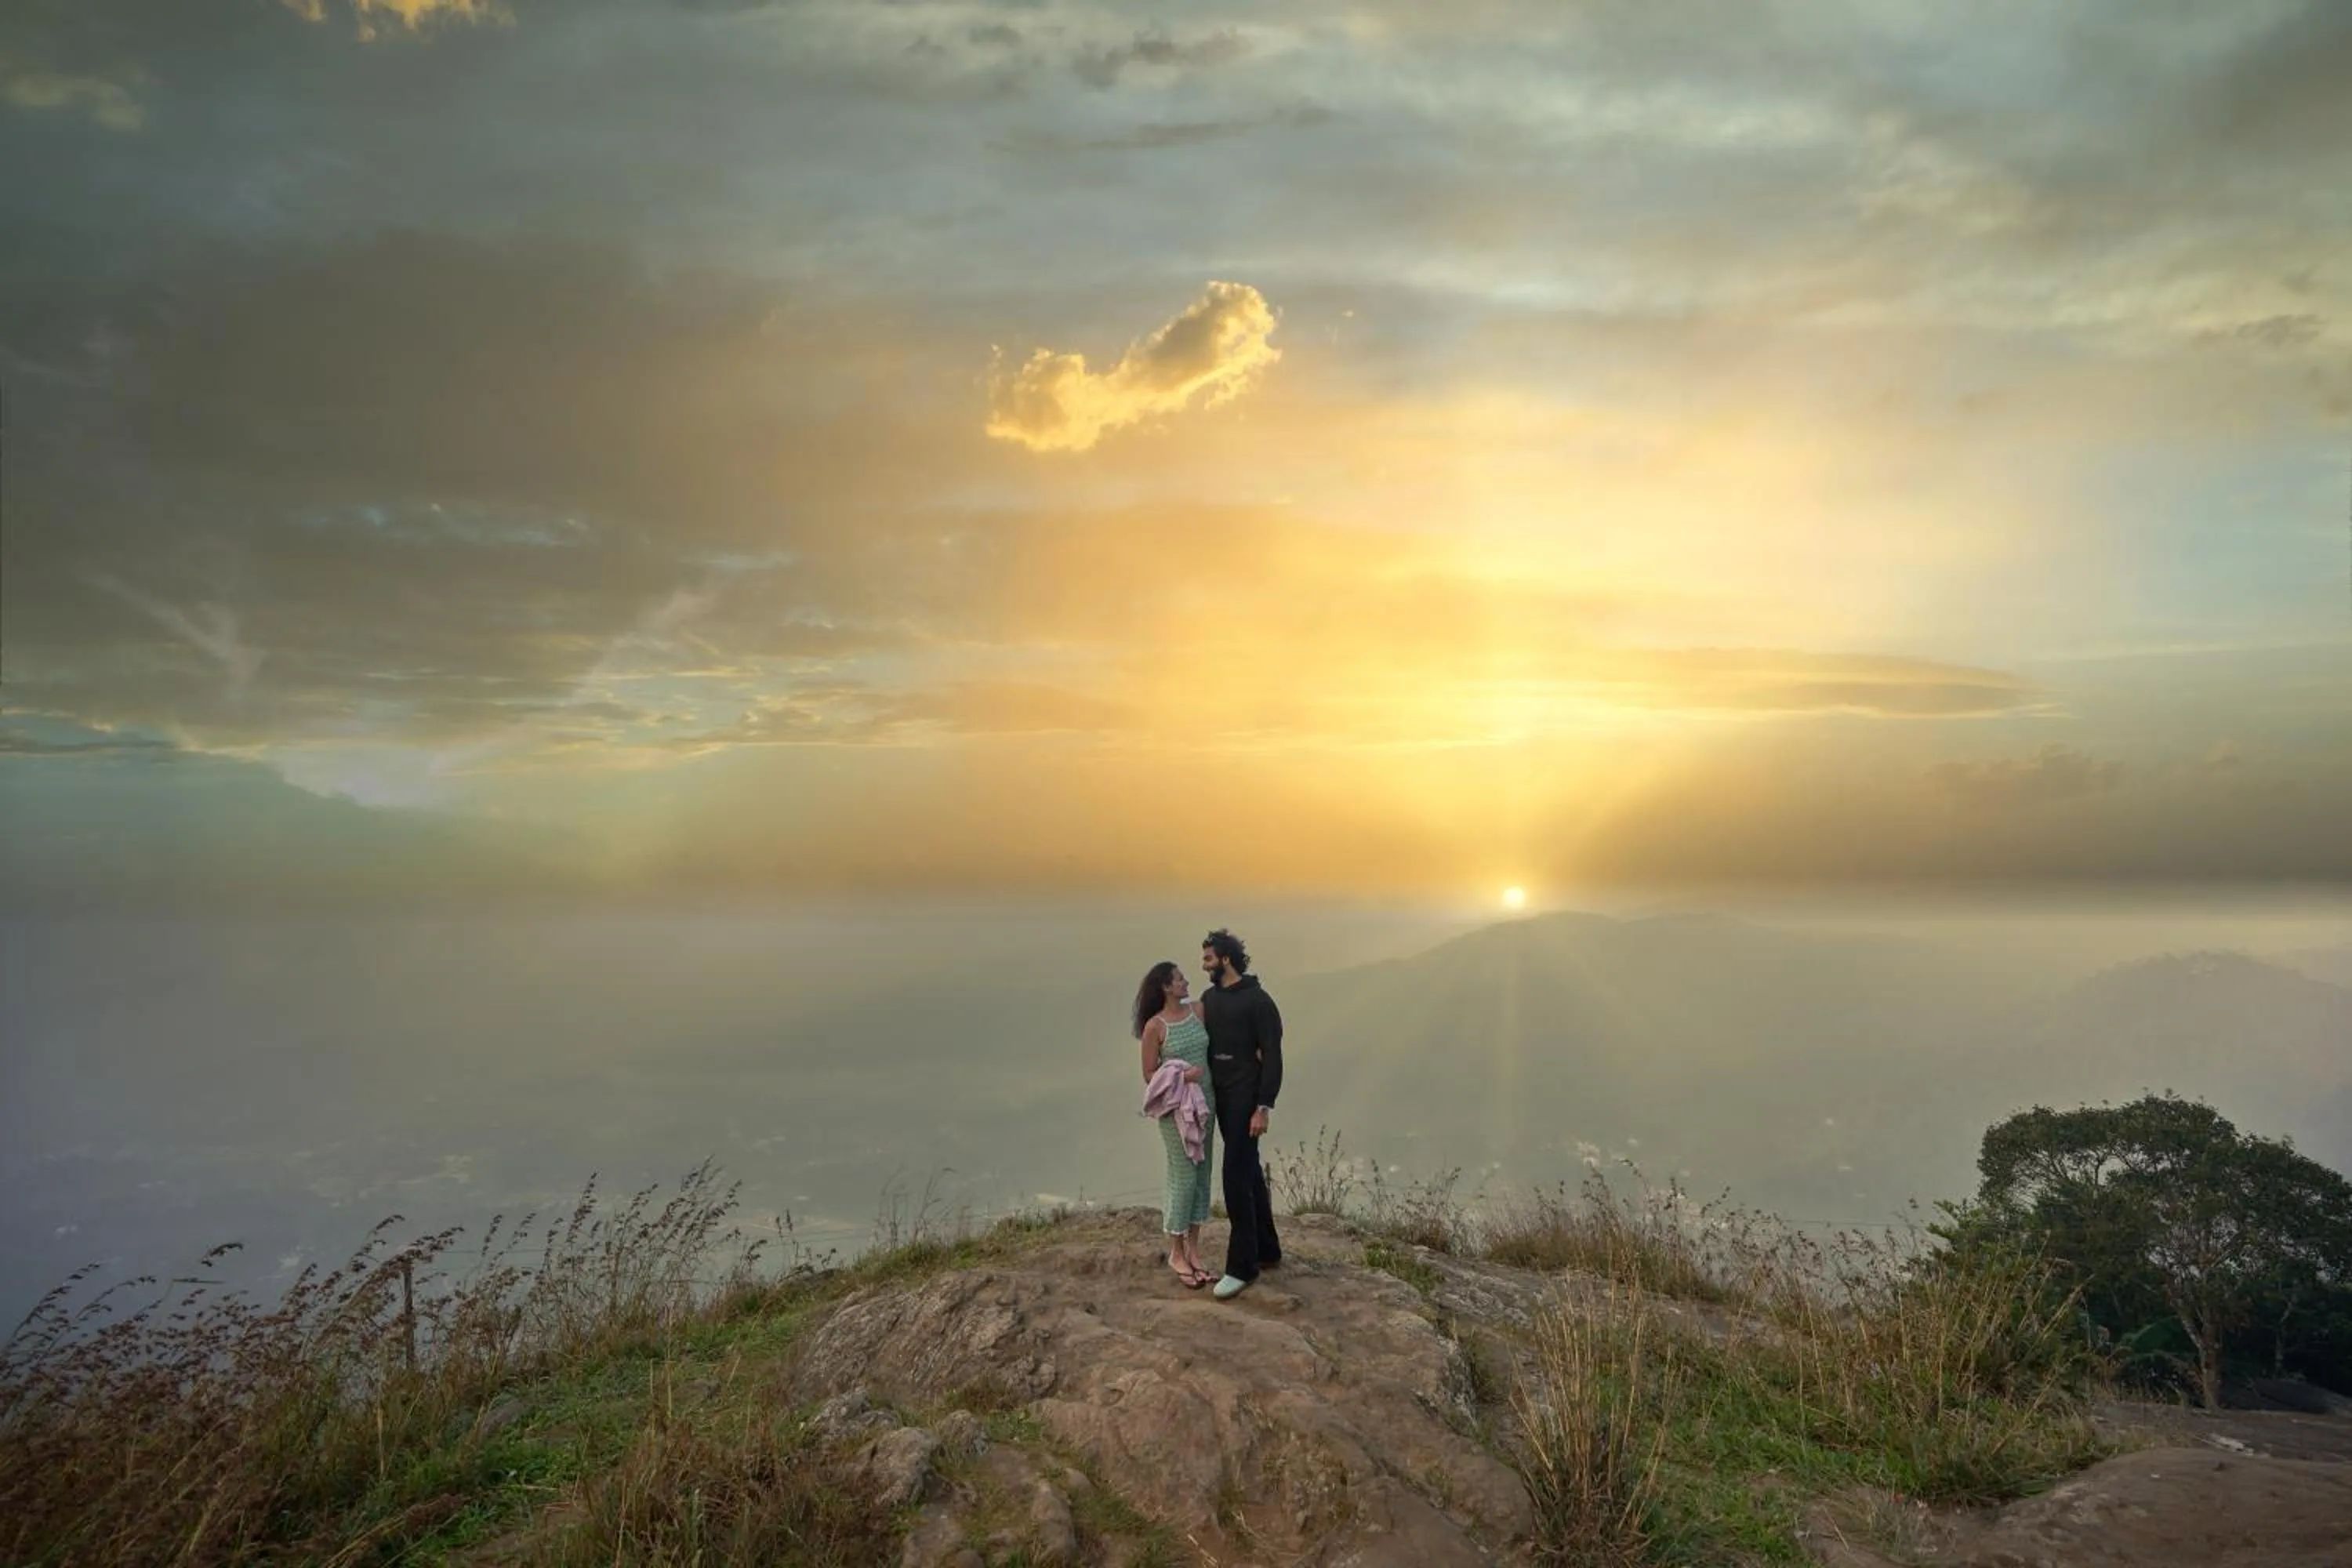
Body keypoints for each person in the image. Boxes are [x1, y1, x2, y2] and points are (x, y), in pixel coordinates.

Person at [1198, 928, 1283, 1298]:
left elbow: (1274, 1058)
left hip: (1246, 1098)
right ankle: (1266, 1249)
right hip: (1220, 1095)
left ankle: (1241, 1267)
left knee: (1235, 1176)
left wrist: (1263, 1107)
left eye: (1209, 959)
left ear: (1226, 959)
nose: (1204, 966)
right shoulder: (1209, 999)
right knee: (1248, 1175)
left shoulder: (1259, 1002)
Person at [1133, 960, 1216, 1287]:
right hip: (1176, 1111)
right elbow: (1149, 1074)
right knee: (1183, 1176)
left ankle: (1194, 1250)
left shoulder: (1199, 1011)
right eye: (1180, 979)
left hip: (1206, 1106)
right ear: (1166, 987)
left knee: (1201, 1176)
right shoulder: (1155, 1027)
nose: (1186, 982)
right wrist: (1182, 1074)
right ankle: (1176, 1253)